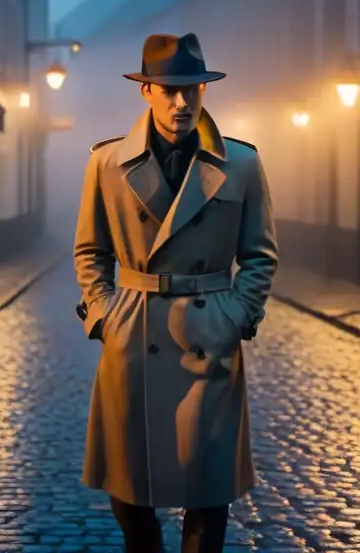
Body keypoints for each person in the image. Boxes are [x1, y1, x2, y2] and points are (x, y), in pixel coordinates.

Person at [74, 32, 279, 553]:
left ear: (205, 91)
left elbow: (260, 255)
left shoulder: (242, 163)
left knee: (209, 497)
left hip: (207, 337)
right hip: (134, 336)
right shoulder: (106, 163)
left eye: (192, 89)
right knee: (130, 494)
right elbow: (90, 251)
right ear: (145, 91)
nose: (182, 102)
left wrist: (235, 317)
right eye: (168, 90)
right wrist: (103, 314)